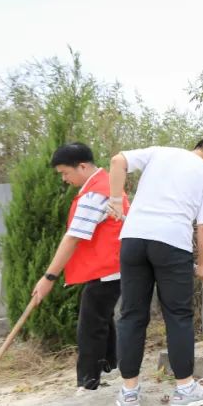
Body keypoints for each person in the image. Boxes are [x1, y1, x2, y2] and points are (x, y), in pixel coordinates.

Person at [106, 136, 203, 406]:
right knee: (178, 315)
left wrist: (115, 199)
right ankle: (185, 389)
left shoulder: (159, 153)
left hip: (133, 239)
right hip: (172, 243)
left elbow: (117, 161)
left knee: (132, 315)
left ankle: (128, 392)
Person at [30, 143, 128, 393]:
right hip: (111, 266)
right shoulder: (105, 184)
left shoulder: (96, 193)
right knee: (101, 317)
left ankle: (88, 382)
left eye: (65, 173)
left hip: (108, 268)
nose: (64, 179)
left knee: (90, 325)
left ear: (82, 167)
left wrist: (48, 277)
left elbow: (73, 237)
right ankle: (109, 366)